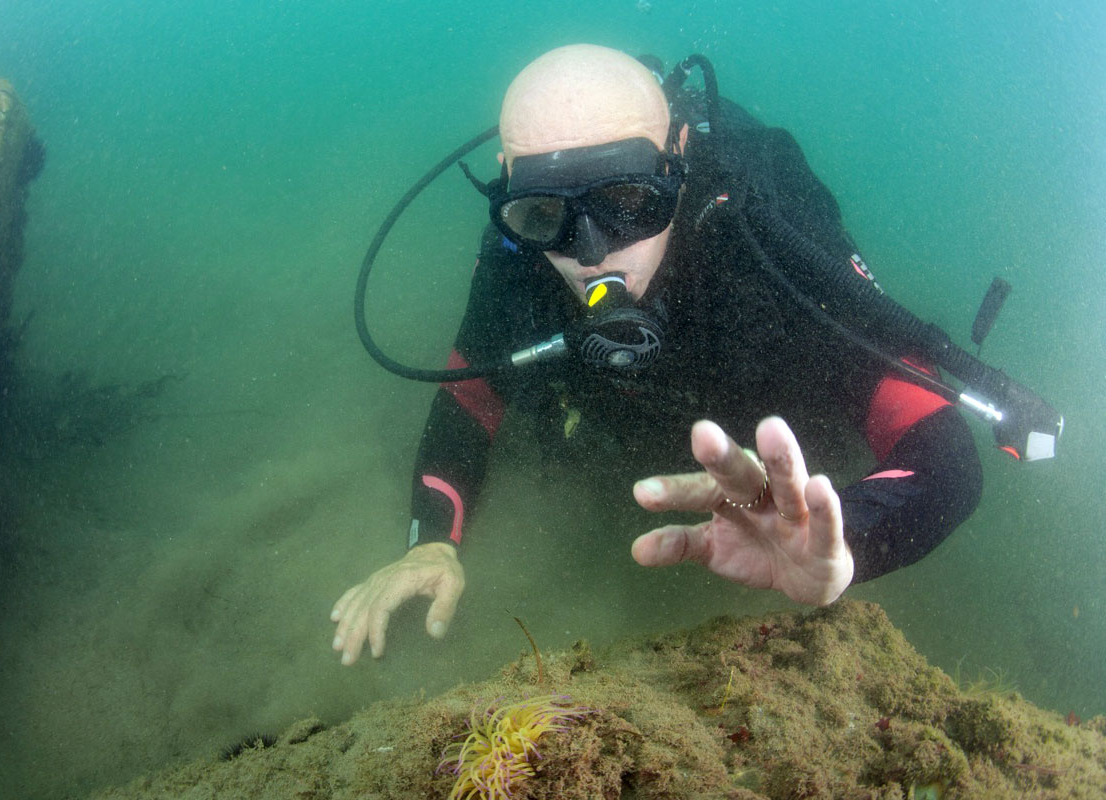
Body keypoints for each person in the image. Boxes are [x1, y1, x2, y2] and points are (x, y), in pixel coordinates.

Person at [331, 44, 982, 666]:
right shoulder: (517, 242)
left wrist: (842, 538)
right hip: (618, 453)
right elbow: (469, 400)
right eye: (544, 211)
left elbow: (941, 445)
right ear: (511, 180)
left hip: (775, 442)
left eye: (627, 202)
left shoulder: (760, 231)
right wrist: (428, 548)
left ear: (677, 154)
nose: (592, 253)